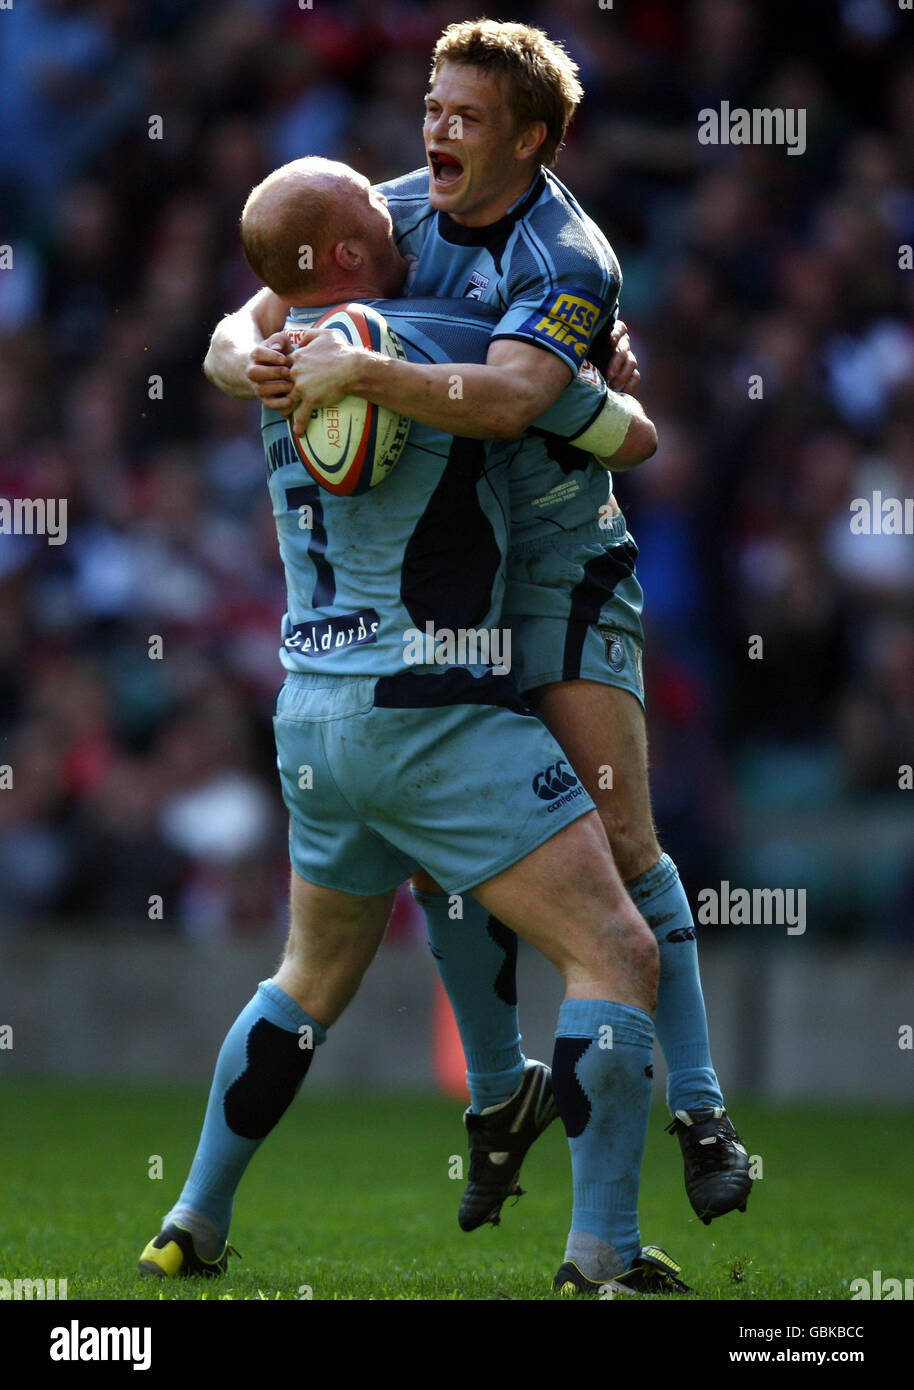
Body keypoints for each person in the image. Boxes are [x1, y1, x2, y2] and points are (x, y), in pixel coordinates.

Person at [204, 18, 751, 1240]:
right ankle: (500, 1104)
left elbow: (513, 401)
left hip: (556, 561)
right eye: (431, 106)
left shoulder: (567, 253)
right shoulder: (382, 213)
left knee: (614, 837)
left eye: (463, 115)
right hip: (454, 582)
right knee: (464, 859)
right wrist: (274, 368)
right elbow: (235, 330)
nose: (435, 131)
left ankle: (700, 1110)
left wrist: (361, 376)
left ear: (532, 137)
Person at [139, 157, 685, 1297]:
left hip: (310, 712)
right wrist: (600, 365)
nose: (399, 219)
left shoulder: (274, 354)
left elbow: (222, 339)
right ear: (345, 254)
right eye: (372, 214)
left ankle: (192, 1214)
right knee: (616, 950)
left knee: (307, 975)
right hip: (431, 707)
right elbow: (625, 440)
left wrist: (242, 345)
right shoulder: (443, 326)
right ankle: (604, 1253)